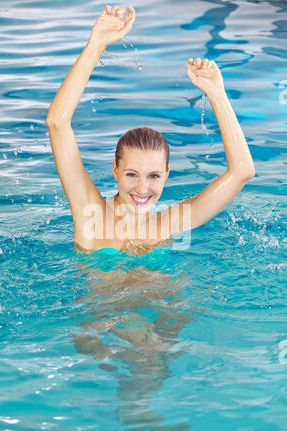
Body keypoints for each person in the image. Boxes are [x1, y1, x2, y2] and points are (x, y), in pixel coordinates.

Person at [46, 5, 255, 255]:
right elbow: (57, 123)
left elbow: (243, 171)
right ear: (115, 169)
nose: (142, 189)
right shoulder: (90, 214)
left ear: (167, 174)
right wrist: (97, 43)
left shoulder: (170, 223)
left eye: (154, 176)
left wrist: (217, 94)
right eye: (132, 174)